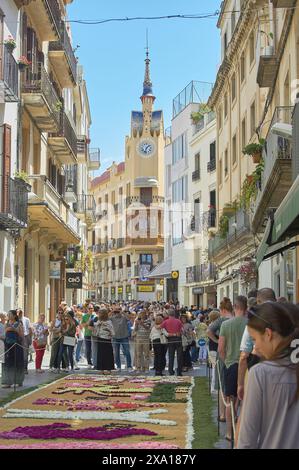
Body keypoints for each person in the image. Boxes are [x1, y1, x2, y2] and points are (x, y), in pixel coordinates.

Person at [237, 302, 299, 449]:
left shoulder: (260, 374)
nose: (255, 348)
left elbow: (246, 440)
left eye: (254, 339)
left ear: (268, 334)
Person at [238, 287, 276, 401]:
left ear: (258, 302)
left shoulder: (255, 320)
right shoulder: (286, 317)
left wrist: (240, 384)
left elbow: (244, 355)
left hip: (261, 368)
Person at [218, 295, 247, 442]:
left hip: (231, 365)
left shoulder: (226, 325)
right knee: (245, 401)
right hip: (248, 366)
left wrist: (227, 361)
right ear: (246, 308)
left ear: (235, 307)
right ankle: (242, 431)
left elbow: (221, 348)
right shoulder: (251, 324)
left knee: (230, 400)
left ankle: (229, 432)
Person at [207, 297, 234, 422]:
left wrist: (217, 341)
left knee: (222, 385)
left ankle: (222, 414)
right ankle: (232, 413)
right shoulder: (236, 319)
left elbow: (209, 331)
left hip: (222, 353)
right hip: (234, 353)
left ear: (222, 309)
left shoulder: (221, 320)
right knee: (232, 385)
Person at [2, 310, 24, 388]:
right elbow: (5, 333)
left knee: (17, 362)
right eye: (8, 314)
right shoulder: (6, 324)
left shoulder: (19, 323)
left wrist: (13, 329)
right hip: (8, 346)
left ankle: (18, 381)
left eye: (10, 314)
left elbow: (21, 335)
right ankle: (8, 382)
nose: (8, 315)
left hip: (17, 345)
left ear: (15, 316)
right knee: (8, 363)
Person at [160, 309, 183, 376]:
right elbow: (182, 330)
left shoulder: (165, 321)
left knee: (171, 356)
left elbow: (160, 328)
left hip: (170, 339)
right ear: (174, 314)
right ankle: (179, 371)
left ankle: (171, 371)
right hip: (178, 339)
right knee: (179, 356)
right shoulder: (178, 321)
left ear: (168, 314)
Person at [92, 308, 115, 373]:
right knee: (100, 354)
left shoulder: (109, 322)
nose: (99, 315)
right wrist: (97, 325)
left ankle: (109, 369)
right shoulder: (98, 321)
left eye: (101, 313)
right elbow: (95, 328)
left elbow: (112, 332)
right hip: (100, 339)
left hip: (107, 339)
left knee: (108, 354)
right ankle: (101, 369)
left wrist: (106, 326)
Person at [17, 309, 32, 375]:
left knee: (25, 354)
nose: (20, 314)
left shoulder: (26, 319)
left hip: (25, 337)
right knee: (18, 354)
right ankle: (19, 368)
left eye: (21, 312)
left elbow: (29, 329)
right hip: (17, 337)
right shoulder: (16, 320)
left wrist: (30, 338)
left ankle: (25, 368)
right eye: (18, 312)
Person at [81, 304, 94, 368]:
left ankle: (94, 362)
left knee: (94, 349)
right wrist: (87, 323)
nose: (91, 309)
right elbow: (82, 325)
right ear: (87, 309)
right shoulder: (85, 316)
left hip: (95, 335)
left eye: (92, 308)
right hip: (87, 334)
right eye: (89, 308)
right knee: (88, 349)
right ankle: (89, 362)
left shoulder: (95, 316)